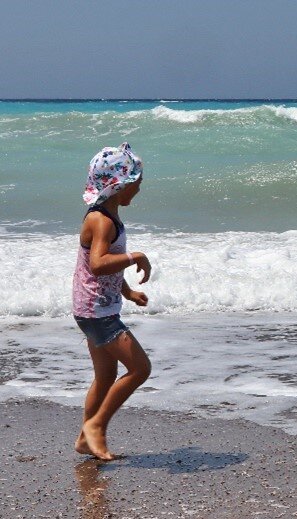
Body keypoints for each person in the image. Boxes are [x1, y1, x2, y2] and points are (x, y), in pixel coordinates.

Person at [72, 143, 152, 461]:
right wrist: (136, 256)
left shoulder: (108, 216)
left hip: (92, 307)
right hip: (96, 312)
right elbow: (99, 264)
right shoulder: (102, 221)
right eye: (137, 181)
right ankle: (97, 426)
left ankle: (83, 438)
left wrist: (127, 291)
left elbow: (107, 266)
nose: (140, 187)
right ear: (119, 185)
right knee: (140, 368)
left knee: (106, 376)